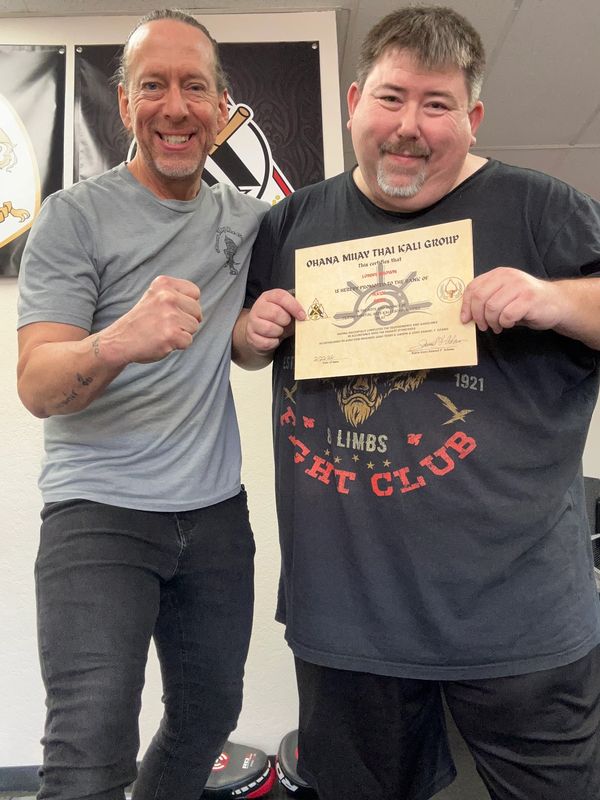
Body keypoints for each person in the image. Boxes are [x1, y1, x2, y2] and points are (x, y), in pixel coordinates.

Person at [233, 6, 600, 800]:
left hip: (520, 620)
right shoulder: (291, 223)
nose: (410, 126)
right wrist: (249, 334)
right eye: (392, 98)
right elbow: (243, 343)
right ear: (354, 101)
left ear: (470, 119)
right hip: (346, 621)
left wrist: (553, 299)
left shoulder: (545, 210)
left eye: (436, 105)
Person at [17, 9, 267, 800]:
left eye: (194, 86)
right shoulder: (74, 217)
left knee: (207, 716)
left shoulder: (247, 221)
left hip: (215, 515)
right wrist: (117, 339)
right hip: (99, 514)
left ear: (221, 108)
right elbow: (36, 385)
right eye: (152, 85)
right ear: (124, 104)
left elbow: (252, 336)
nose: (174, 106)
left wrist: (254, 336)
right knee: (89, 752)